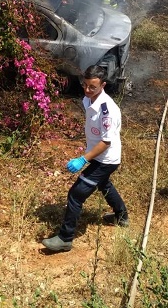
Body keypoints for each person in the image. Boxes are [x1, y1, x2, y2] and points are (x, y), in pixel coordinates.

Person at [42, 65, 129, 252]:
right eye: (86, 85)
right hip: (97, 154)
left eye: (93, 87)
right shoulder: (87, 100)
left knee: (76, 194)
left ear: (103, 85)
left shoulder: (108, 111)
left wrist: (83, 159)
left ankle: (65, 238)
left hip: (105, 159)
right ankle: (121, 216)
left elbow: (106, 142)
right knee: (104, 185)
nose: (87, 90)